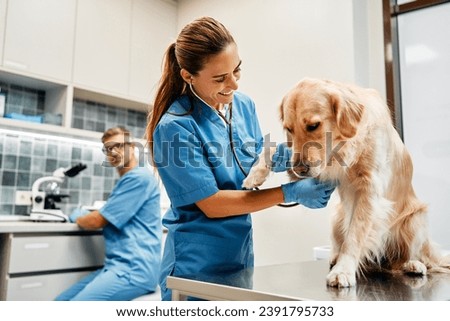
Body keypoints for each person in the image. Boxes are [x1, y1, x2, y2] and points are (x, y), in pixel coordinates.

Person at [146, 17, 336, 301]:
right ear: (188, 76)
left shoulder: (242, 105)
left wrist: (306, 154)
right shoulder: (175, 127)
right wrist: (291, 191)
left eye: (237, 70)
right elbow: (212, 204)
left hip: (240, 258)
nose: (233, 83)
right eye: (220, 78)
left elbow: (257, 160)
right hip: (194, 266)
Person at [55, 126, 162, 301]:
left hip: (133, 271)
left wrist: (77, 215)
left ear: (132, 147)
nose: (113, 151)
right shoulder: (128, 180)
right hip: (116, 268)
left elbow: (96, 221)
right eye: (108, 148)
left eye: (119, 145)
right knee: (59, 303)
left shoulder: (138, 178)